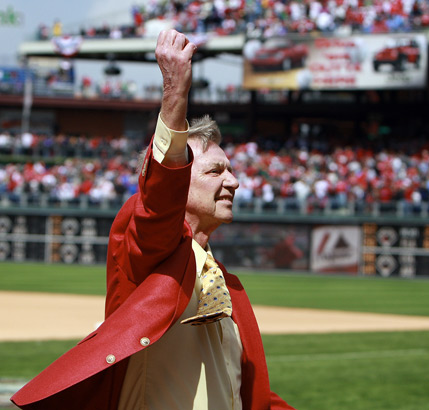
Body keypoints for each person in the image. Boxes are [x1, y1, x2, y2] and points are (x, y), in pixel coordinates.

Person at [11, 29, 295, 410]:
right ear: (181, 181)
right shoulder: (152, 254)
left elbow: (255, 397)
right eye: (215, 171)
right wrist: (175, 92)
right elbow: (159, 199)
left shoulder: (229, 287)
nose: (234, 180)